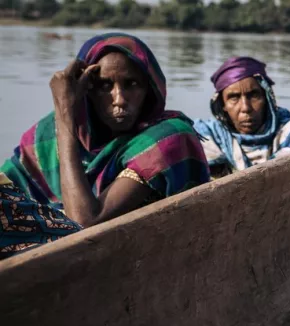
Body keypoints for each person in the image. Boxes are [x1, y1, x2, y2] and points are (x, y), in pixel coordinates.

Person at [0, 33, 210, 258]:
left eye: (132, 84)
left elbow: (84, 223)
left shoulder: (168, 138)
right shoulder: (49, 134)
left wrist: (65, 115)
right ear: (86, 91)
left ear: (149, 90)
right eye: (104, 86)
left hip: (127, 262)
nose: (119, 98)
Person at [193, 57, 290, 177]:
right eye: (234, 98)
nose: (246, 108)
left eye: (254, 95)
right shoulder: (208, 134)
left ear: (267, 98)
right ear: (223, 105)